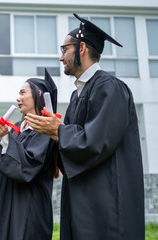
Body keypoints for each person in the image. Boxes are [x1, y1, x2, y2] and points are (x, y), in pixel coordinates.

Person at [25, 13, 145, 240]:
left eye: (64, 49)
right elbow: (71, 142)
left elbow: (97, 140)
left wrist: (58, 130)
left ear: (81, 48)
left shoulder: (110, 88)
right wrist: (52, 138)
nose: (61, 58)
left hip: (105, 199)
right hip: (82, 198)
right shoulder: (77, 95)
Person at [0, 69, 59, 240]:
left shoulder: (46, 130)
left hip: (28, 208)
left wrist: (5, 138)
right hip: (4, 204)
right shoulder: (15, 129)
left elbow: (27, 168)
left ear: (39, 94)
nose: (18, 98)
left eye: (22, 93)